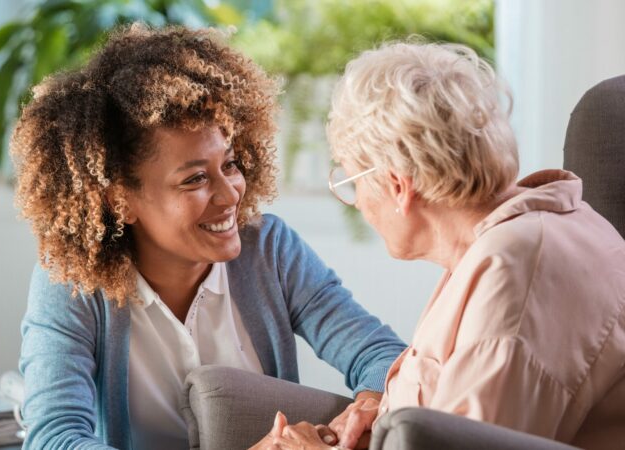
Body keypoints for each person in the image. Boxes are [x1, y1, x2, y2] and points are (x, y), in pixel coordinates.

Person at [12, 24, 407, 450]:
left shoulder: (270, 251)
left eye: (231, 164)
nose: (229, 193)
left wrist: (362, 412)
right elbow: (54, 437)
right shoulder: (73, 285)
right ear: (120, 200)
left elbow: (383, 356)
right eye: (195, 178)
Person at [253, 41, 625, 449]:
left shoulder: (512, 277)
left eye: (351, 180)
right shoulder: (515, 237)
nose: (357, 201)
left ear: (397, 186)